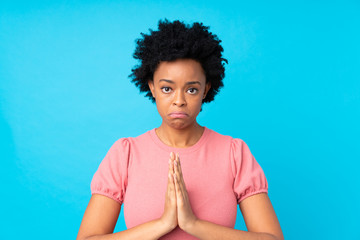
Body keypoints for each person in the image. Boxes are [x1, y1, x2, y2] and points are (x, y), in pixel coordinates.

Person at [76, 19, 284, 240]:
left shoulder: (234, 153)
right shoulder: (125, 154)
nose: (179, 101)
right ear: (152, 87)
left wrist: (192, 224)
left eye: (192, 90)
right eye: (167, 88)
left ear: (206, 90)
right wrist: (163, 224)